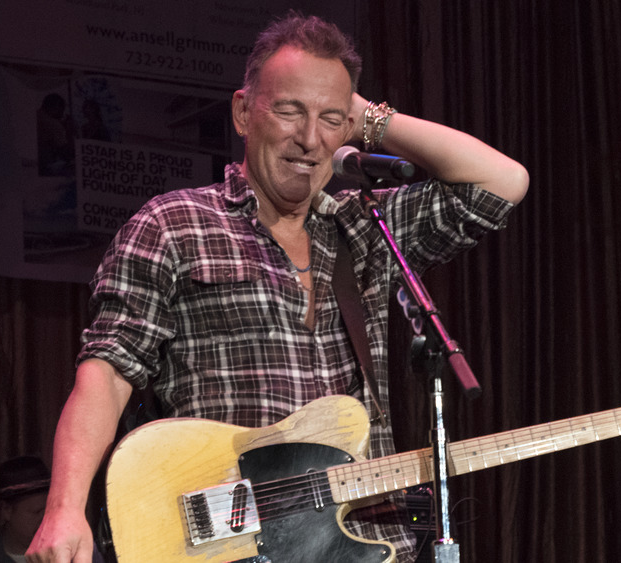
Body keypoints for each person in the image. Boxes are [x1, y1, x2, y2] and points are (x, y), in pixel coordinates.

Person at [27, 11, 528, 563]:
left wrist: (367, 118)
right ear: (244, 112)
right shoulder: (174, 225)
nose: (310, 139)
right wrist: (64, 507)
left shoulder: (364, 226)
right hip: (229, 543)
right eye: (289, 110)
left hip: (360, 546)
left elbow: (501, 183)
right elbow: (106, 372)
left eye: (329, 119)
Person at [0, 456, 104, 563]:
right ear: (7, 511)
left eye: (50, 510)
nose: (45, 519)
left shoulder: (79, 552)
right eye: (36, 512)